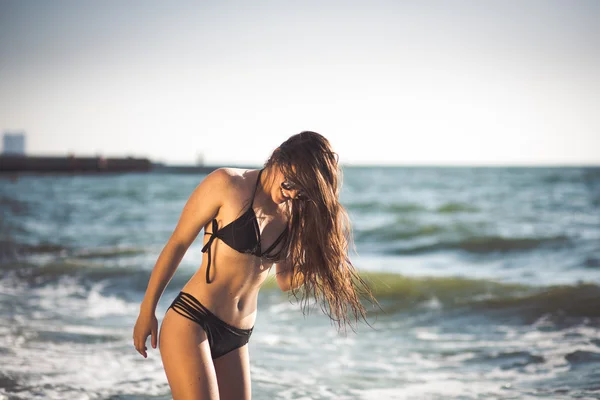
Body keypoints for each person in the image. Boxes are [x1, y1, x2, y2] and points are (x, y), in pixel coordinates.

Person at [133, 131, 373, 400]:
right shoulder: (227, 184)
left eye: (301, 191)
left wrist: (320, 262)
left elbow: (285, 280)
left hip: (237, 335)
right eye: (290, 184)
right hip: (193, 319)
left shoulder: (294, 213)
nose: (292, 194)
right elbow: (177, 244)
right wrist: (147, 310)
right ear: (279, 157)